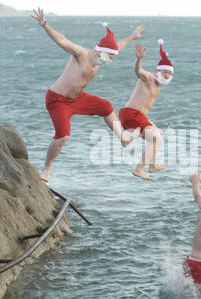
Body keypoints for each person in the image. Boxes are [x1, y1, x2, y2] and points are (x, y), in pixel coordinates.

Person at [31, 8, 144, 182]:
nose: (109, 61)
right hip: (57, 100)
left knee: (106, 106)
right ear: (100, 51)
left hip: (78, 98)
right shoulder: (81, 54)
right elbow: (62, 41)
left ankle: (123, 138)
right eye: (109, 58)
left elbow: (117, 46)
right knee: (63, 135)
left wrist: (132, 36)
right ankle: (46, 170)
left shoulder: (101, 57)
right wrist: (45, 25)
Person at [118, 40, 174, 181]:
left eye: (169, 73)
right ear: (157, 71)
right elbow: (138, 71)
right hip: (131, 114)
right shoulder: (149, 78)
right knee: (156, 139)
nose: (167, 75)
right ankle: (138, 169)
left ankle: (153, 165)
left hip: (137, 115)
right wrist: (139, 60)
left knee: (157, 132)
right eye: (165, 72)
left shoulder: (158, 85)